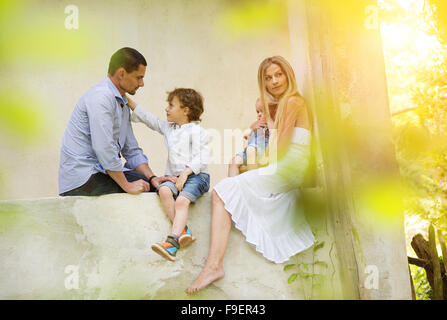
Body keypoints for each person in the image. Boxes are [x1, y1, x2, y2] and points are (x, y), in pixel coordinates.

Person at [186, 56, 316, 294]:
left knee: (222, 191)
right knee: (229, 187)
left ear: (288, 75)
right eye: (268, 78)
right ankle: (213, 266)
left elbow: (280, 150)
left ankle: (213, 266)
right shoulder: (285, 104)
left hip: (289, 168)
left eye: (278, 74)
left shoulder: (292, 102)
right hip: (286, 168)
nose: (274, 81)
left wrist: (252, 164)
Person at [58, 47, 176, 197]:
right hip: (82, 180)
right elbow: (103, 148)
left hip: (101, 173)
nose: (142, 84)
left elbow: (131, 150)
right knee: (146, 192)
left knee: (159, 188)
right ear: (121, 74)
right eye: (138, 77)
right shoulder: (101, 97)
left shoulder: (122, 103)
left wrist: (152, 178)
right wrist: (127, 185)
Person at [127, 88, 210, 262]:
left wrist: (186, 173)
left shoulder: (198, 132)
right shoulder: (169, 129)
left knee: (181, 201)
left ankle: (172, 242)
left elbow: (203, 157)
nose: (166, 109)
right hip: (175, 178)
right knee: (164, 191)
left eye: (171, 106)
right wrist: (127, 99)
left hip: (196, 176)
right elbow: (149, 119)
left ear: (186, 110)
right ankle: (183, 231)